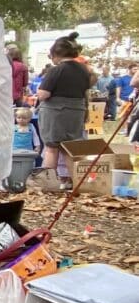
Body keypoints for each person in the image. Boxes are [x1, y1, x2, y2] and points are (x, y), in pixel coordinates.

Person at [37, 35, 93, 191]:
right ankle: (76, 183)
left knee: (51, 147)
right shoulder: (84, 70)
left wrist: (38, 92)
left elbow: (43, 94)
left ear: (56, 54)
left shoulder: (57, 70)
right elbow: (85, 91)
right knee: (69, 148)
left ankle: (48, 183)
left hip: (56, 112)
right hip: (77, 111)